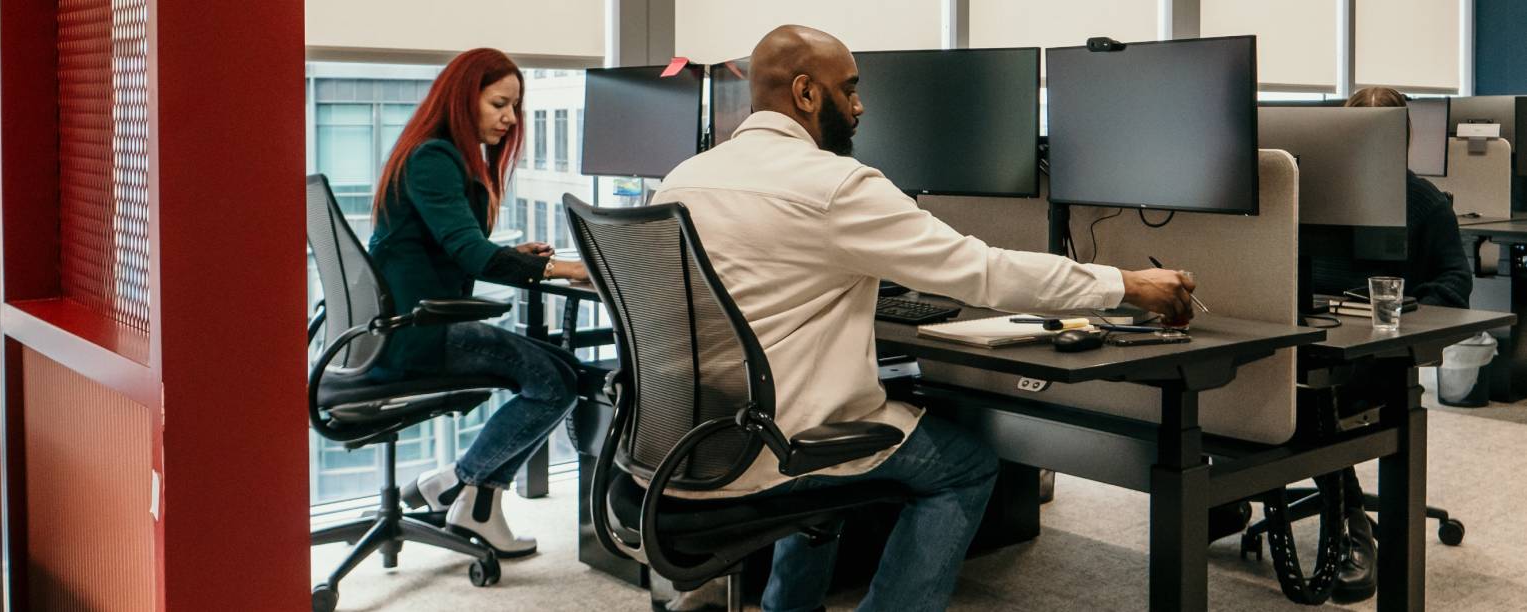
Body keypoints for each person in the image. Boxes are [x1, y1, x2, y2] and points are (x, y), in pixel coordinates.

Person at [652, 26, 1199, 612]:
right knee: (965, 467)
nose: (861, 107)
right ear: (807, 94)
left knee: (842, 436)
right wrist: (1126, 284)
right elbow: (984, 273)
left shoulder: (683, 177)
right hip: (776, 447)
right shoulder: (837, 187)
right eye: (851, 89)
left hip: (686, 444)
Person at [363, 47, 589, 558]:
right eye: (499, 104)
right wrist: (568, 268)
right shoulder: (434, 158)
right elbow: (470, 253)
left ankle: (457, 489)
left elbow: (453, 248)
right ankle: (469, 491)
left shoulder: (434, 153)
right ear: (465, 101)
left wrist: (513, 256)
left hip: (413, 324)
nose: (511, 119)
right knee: (557, 383)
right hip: (417, 333)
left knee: (564, 372)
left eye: (515, 106)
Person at [1309, 86, 1472, 603]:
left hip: (1379, 356)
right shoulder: (1315, 195)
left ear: (1402, 139)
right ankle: (1225, 499)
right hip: (1316, 340)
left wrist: (1404, 309)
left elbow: (1456, 284)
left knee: (1313, 400)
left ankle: (1353, 532)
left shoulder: (1423, 204)